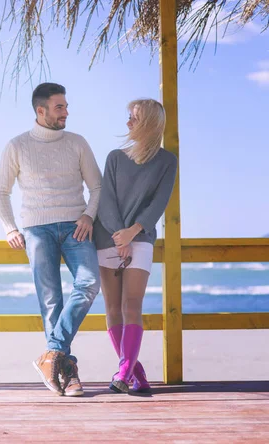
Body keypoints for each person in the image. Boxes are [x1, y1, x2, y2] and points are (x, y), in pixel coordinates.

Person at [0, 83, 102, 396]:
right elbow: (0, 191)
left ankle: (51, 354)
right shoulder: (17, 146)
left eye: (66, 106)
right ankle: (67, 373)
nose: (66, 112)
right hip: (36, 229)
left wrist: (88, 216)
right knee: (51, 301)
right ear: (40, 111)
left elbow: (97, 188)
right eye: (59, 107)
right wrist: (9, 228)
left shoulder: (78, 142)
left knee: (89, 283)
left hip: (75, 226)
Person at [93, 98, 178, 393]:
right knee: (113, 309)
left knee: (132, 305)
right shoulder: (115, 157)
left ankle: (123, 372)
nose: (128, 122)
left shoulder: (167, 161)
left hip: (140, 239)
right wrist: (120, 234)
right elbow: (106, 201)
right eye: (128, 115)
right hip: (106, 238)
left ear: (149, 122)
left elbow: (159, 203)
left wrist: (133, 232)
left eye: (134, 117)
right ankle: (134, 373)